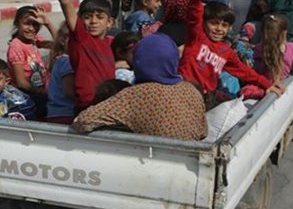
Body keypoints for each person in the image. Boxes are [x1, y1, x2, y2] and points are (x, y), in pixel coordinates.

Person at [178, 0, 283, 106]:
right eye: (214, 23)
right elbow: (194, 13)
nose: (219, 29)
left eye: (224, 26)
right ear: (204, 23)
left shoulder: (226, 51)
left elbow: (244, 72)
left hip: (204, 99)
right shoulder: (197, 37)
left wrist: (267, 84)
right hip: (184, 93)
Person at [72, 33, 207, 140]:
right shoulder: (192, 91)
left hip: (150, 162)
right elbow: (203, 132)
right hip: (190, 161)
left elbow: (83, 121)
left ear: (138, 61)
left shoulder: (135, 95)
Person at [44, 0, 116, 112]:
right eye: (87, 17)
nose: (93, 21)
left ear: (110, 22)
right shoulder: (82, 38)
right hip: (88, 108)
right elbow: (65, 2)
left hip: (109, 107)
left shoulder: (110, 43)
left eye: (99, 17)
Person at [7, 5, 54, 118]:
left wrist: (48, 23)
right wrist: (43, 93)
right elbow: (21, 83)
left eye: (35, 24)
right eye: (27, 23)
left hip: (41, 92)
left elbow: (60, 44)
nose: (31, 28)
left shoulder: (33, 40)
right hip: (30, 98)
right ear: (17, 24)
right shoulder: (16, 46)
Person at [243, 14, 293, 99]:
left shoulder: (259, 49)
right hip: (281, 86)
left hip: (263, 86)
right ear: (284, 33)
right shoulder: (290, 47)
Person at [46, 22, 76, 124]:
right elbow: (69, 91)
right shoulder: (68, 62)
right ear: (63, 41)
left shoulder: (60, 59)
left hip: (55, 112)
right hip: (66, 113)